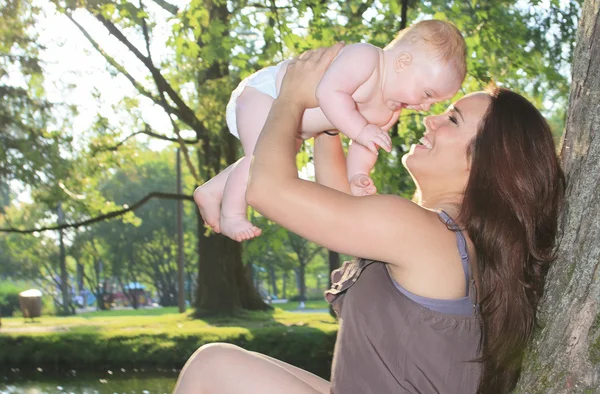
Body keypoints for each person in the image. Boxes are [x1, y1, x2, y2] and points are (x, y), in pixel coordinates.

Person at [174, 44, 565, 394]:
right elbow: (337, 208)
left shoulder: (422, 232)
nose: (429, 120)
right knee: (223, 363)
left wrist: (292, 95)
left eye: (452, 120)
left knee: (213, 366)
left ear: (485, 165)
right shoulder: (451, 240)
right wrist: (333, 111)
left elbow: (266, 190)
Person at [193, 20, 466, 242]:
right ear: (403, 62)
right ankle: (231, 213)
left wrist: (357, 175)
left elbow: (364, 146)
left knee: (275, 158)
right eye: (427, 93)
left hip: (293, 123)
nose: (425, 105)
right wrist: (360, 129)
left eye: (434, 102)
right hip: (267, 94)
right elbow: (329, 92)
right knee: (261, 160)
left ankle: (211, 191)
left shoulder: (389, 111)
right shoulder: (366, 58)